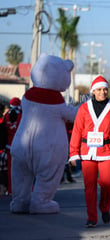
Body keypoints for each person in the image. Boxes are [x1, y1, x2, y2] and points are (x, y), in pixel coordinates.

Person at [10, 54, 78, 214]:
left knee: (21, 175)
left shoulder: (27, 97)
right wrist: (83, 107)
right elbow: (72, 115)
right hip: (48, 149)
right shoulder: (56, 100)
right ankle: (40, 201)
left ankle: (20, 201)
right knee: (48, 175)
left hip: (21, 145)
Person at [69, 76, 110, 228]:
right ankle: (92, 217)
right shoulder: (84, 108)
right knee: (90, 186)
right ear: (93, 91)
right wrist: (73, 152)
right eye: (99, 89)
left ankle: (105, 208)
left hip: (107, 152)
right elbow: (77, 131)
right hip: (87, 152)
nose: (102, 92)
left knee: (107, 184)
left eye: (105, 89)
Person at [3, 97, 22, 194]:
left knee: (11, 170)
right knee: (24, 170)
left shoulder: (6, 116)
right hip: (21, 146)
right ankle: (24, 190)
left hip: (9, 146)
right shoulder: (22, 116)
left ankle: (11, 189)